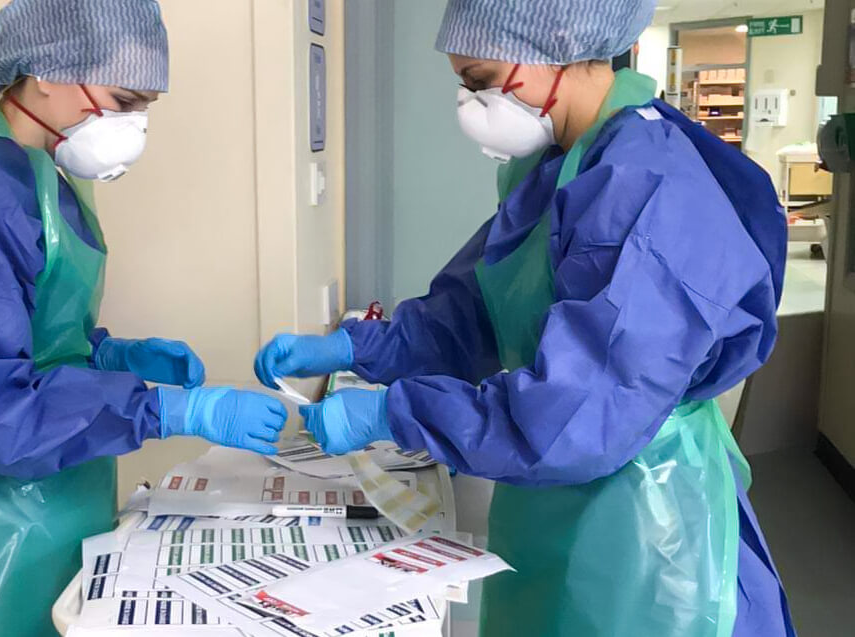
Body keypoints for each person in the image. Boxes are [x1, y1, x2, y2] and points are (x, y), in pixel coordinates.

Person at [254, 0, 796, 635]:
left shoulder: (646, 185)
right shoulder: (562, 165)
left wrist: (391, 411)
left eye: (481, 81)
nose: (469, 105)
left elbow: (574, 418)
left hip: (647, 534)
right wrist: (352, 349)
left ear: (561, 42)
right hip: (560, 499)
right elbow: (476, 310)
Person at [0, 1, 286, 635]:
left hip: (56, 494)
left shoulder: (35, 171)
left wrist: (109, 355)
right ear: (45, 72)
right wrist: (166, 409)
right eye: (122, 99)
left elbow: (27, 330)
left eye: (144, 108)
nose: (132, 124)